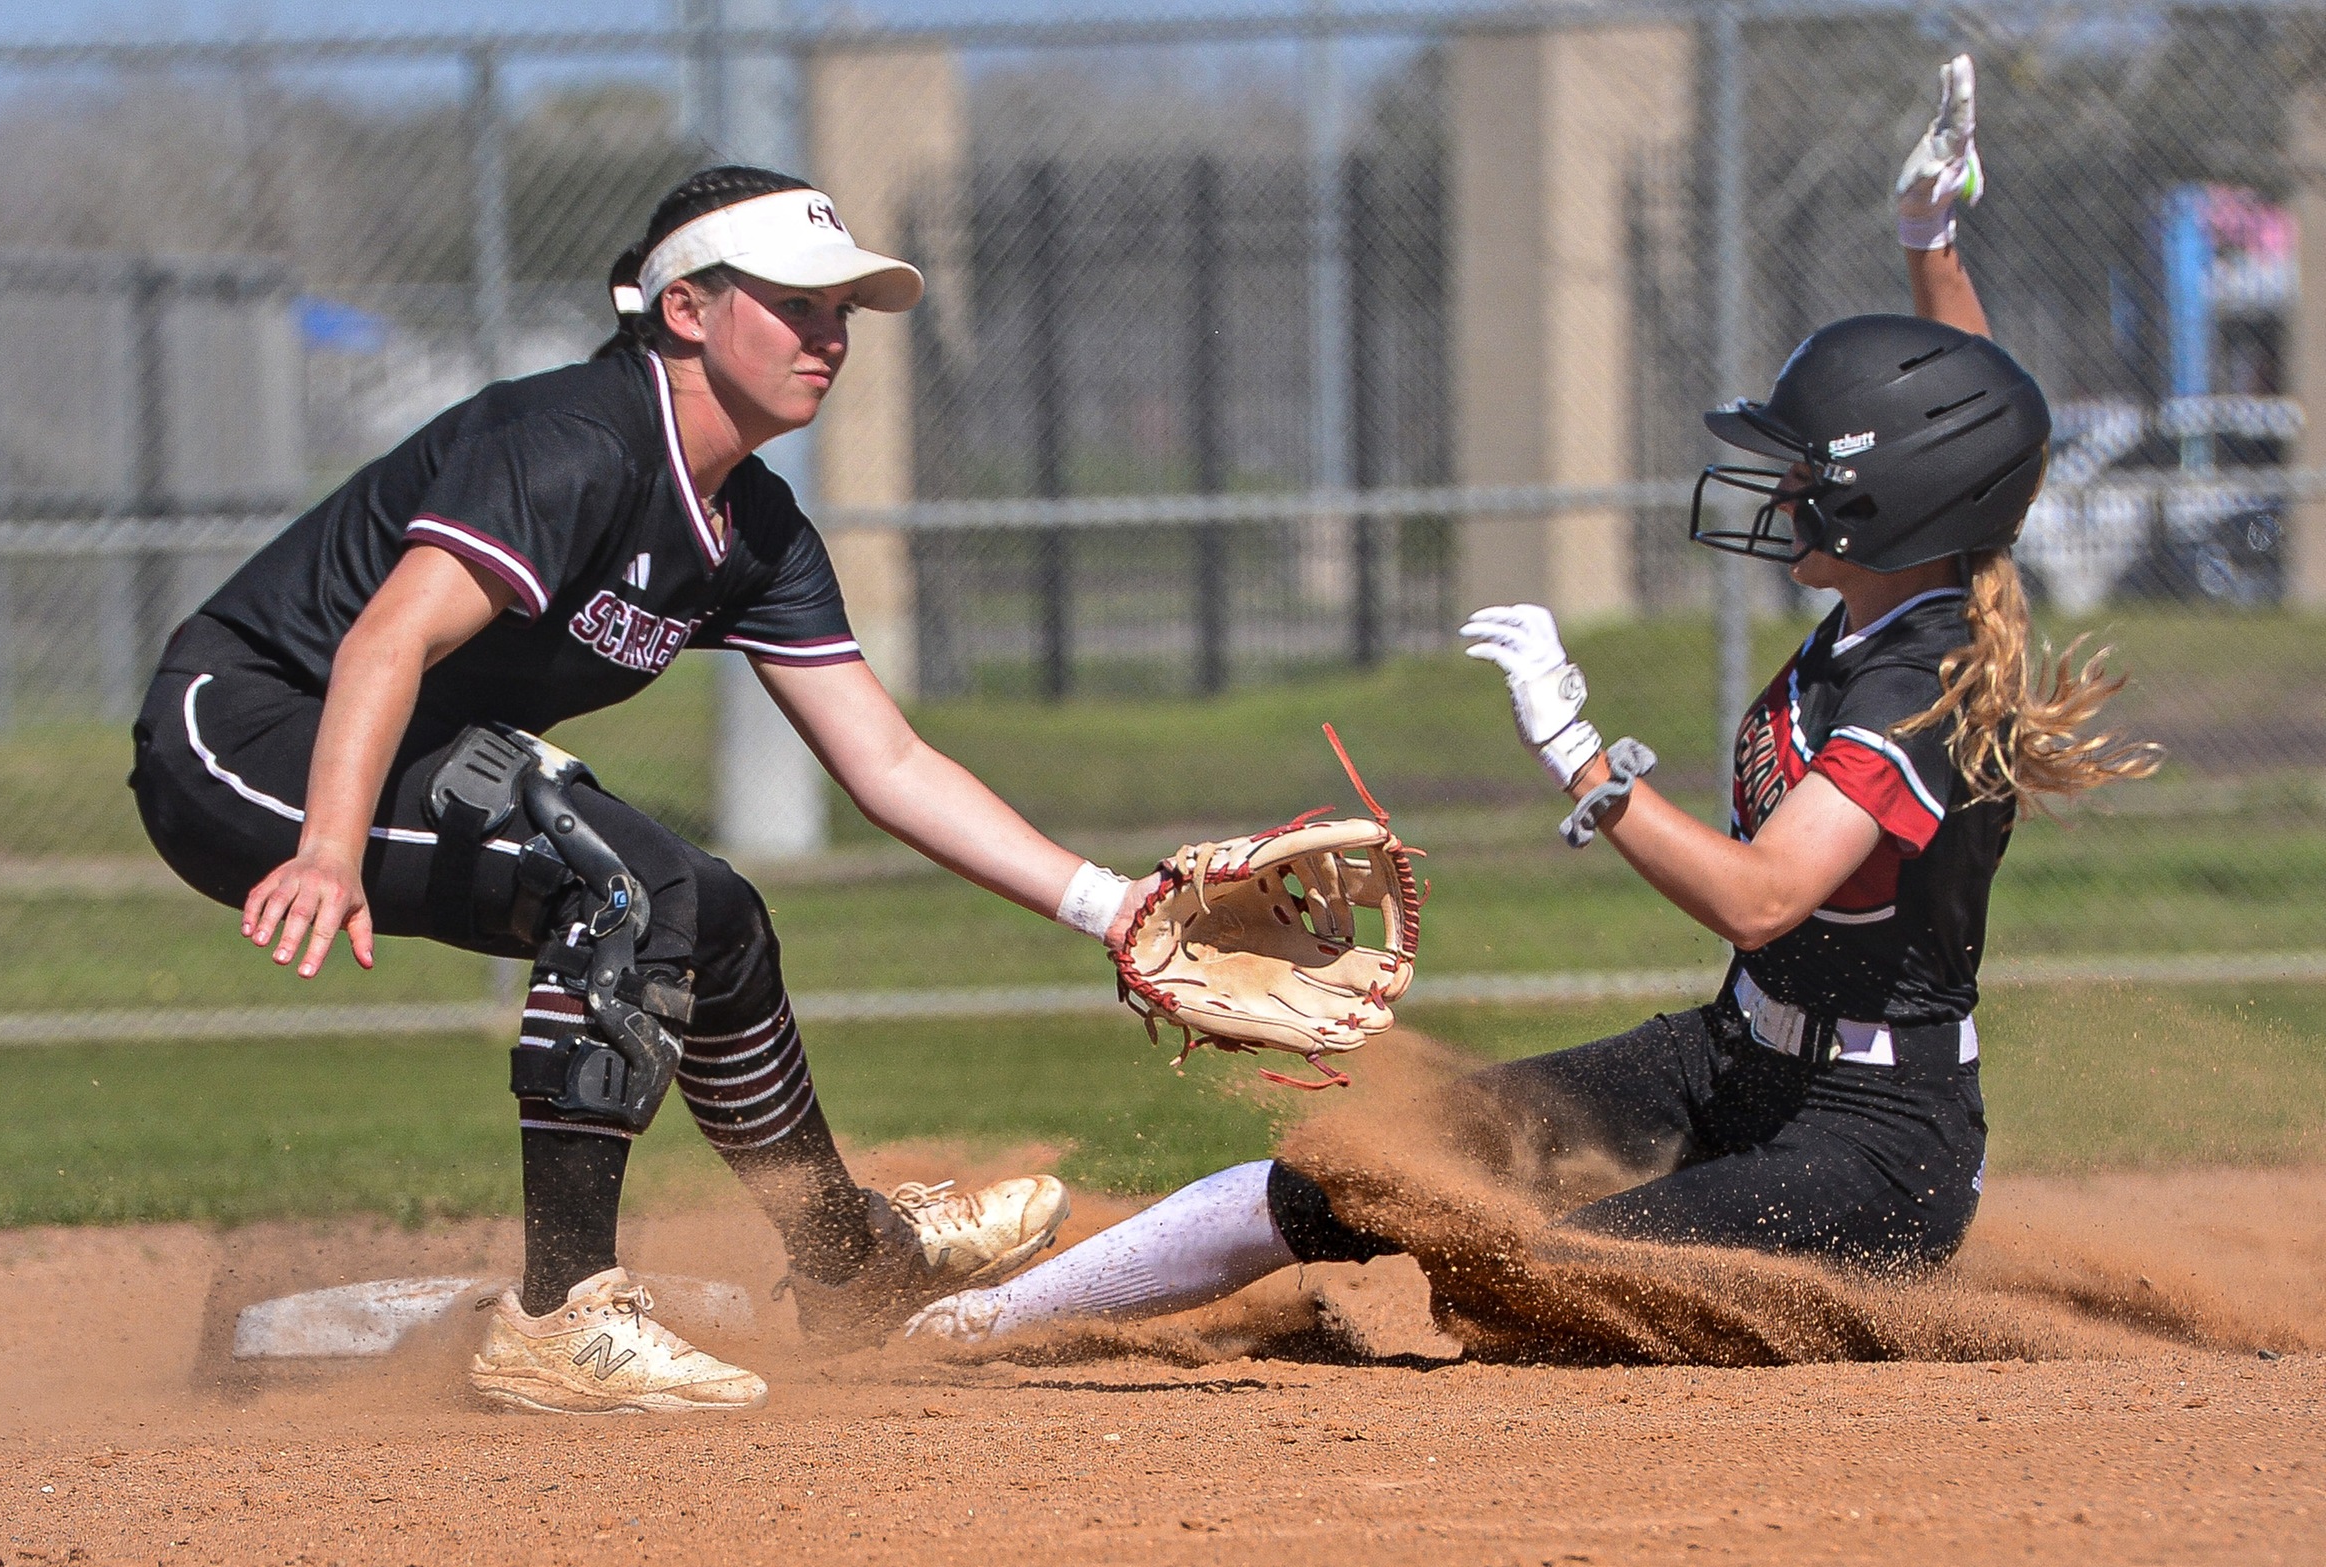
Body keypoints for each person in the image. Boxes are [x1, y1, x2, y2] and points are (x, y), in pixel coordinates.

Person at [904, 55, 2161, 1347]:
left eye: (1799, 475)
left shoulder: (1919, 686)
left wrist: (1583, 759)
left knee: (1520, 1283)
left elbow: (1762, 895)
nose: (1774, 495)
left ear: (1890, 506)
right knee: (1363, 1169)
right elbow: (1974, 410)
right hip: (1733, 1056)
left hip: (1870, 1144)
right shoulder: (1887, 607)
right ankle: (983, 1322)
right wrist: (1926, 233)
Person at [128, 166, 1156, 1412]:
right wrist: (331, 847)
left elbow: (886, 762)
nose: (828, 336)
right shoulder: (577, 445)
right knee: (626, 887)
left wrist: (1115, 910)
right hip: (243, 731)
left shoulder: (754, 528)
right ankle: (561, 1318)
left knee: (708, 913)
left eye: (843, 313)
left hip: (419, 735)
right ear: (686, 310)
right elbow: (384, 641)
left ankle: (848, 1260)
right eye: (794, 304)